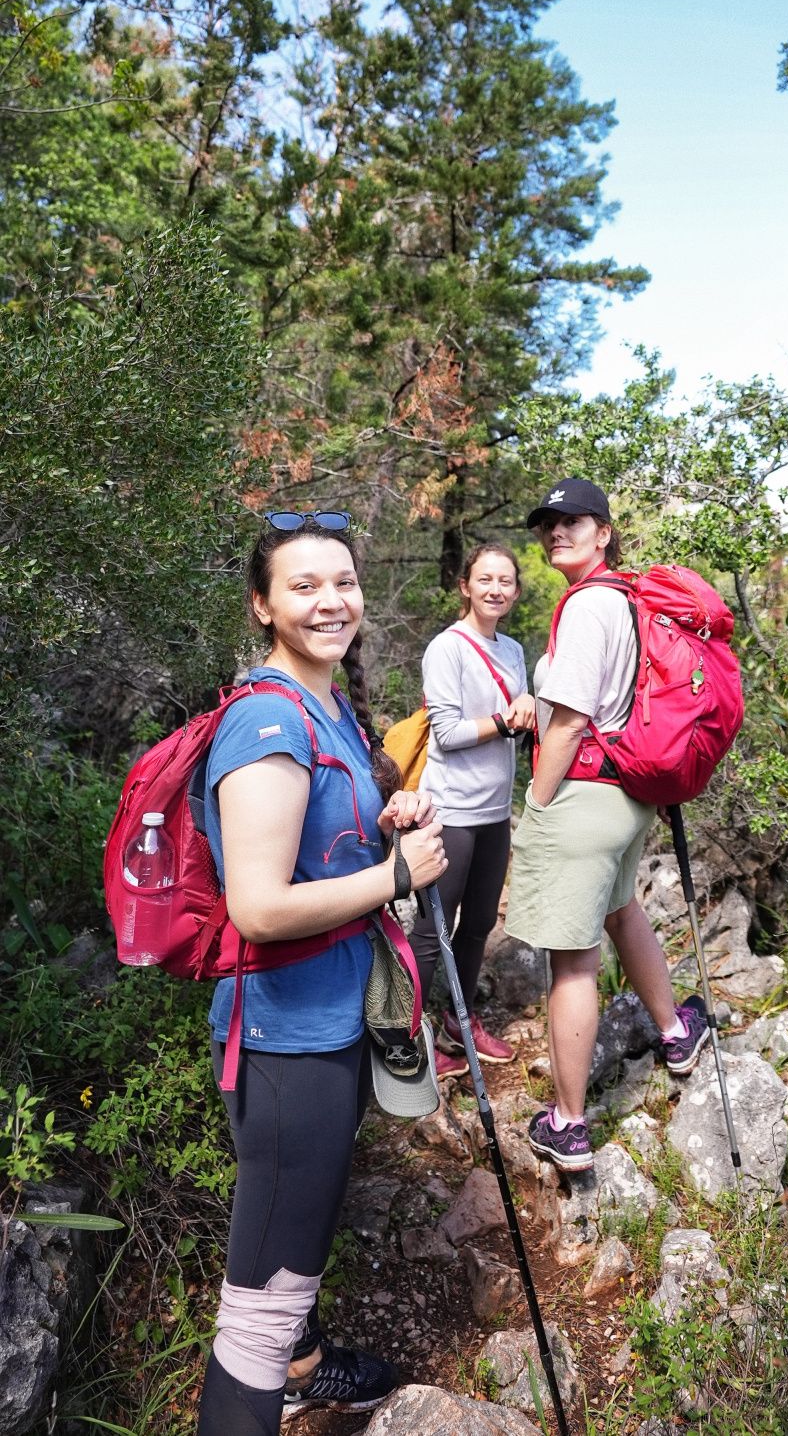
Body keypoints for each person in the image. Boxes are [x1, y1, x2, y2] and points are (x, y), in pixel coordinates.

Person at [196, 511, 447, 1434]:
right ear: (263, 606)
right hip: (282, 1036)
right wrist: (394, 877)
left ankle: (305, 1364)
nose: (330, 600)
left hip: (326, 1021)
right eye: (303, 586)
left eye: (342, 581)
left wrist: (381, 819)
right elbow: (256, 907)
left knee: (294, 1250)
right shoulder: (267, 718)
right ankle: (274, 1377)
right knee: (261, 1292)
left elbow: (314, 840)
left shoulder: (328, 706)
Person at [505, 479, 708, 1174]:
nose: (556, 531)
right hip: (626, 797)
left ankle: (566, 1125)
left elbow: (567, 723)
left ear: (603, 531)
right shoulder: (623, 598)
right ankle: (674, 1032)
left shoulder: (589, 605)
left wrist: (535, 802)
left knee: (573, 962)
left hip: (584, 796)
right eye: (547, 522)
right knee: (623, 911)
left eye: (573, 521)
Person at [404, 542, 536, 1081]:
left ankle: (459, 1023)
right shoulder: (447, 648)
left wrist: (530, 712)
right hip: (451, 812)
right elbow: (448, 733)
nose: (495, 590)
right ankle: (408, 1038)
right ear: (466, 586)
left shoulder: (514, 651)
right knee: (433, 929)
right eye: (485, 579)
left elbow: (523, 716)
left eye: (505, 581)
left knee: (479, 923)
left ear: (516, 591)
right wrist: (506, 722)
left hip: (493, 812)